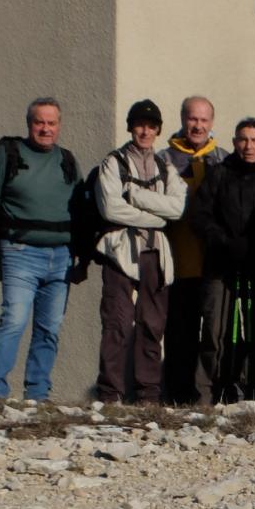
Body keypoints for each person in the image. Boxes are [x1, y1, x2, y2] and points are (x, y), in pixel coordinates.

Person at [0, 97, 85, 402]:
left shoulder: (68, 160)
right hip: (19, 252)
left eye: (51, 123)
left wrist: (81, 256)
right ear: (29, 124)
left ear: (59, 126)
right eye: (39, 122)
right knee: (13, 320)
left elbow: (81, 209)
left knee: (49, 327)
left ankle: (38, 393)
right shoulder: (7, 154)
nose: (45, 129)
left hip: (61, 255)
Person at [187, 117, 255, 404]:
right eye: (243, 139)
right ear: (234, 142)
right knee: (214, 331)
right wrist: (223, 241)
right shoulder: (219, 173)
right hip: (222, 263)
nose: (248, 145)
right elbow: (199, 216)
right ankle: (206, 394)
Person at [92, 99, 186, 403]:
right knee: (117, 323)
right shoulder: (113, 162)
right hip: (120, 252)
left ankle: (148, 395)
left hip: (156, 253)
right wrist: (155, 217)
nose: (145, 131)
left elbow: (178, 207)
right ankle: (110, 394)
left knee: (152, 325)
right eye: (139, 125)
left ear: (158, 130)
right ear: (131, 127)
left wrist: (134, 195)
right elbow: (109, 208)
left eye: (151, 126)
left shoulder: (165, 166)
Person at [160, 95, 230, 403]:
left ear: (212, 123)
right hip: (177, 262)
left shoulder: (224, 160)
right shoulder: (164, 159)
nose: (197, 125)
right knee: (179, 335)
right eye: (192, 119)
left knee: (214, 335)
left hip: (214, 264)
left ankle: (207, 396)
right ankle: (176, 397)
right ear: (182, 119)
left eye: (203, 120)